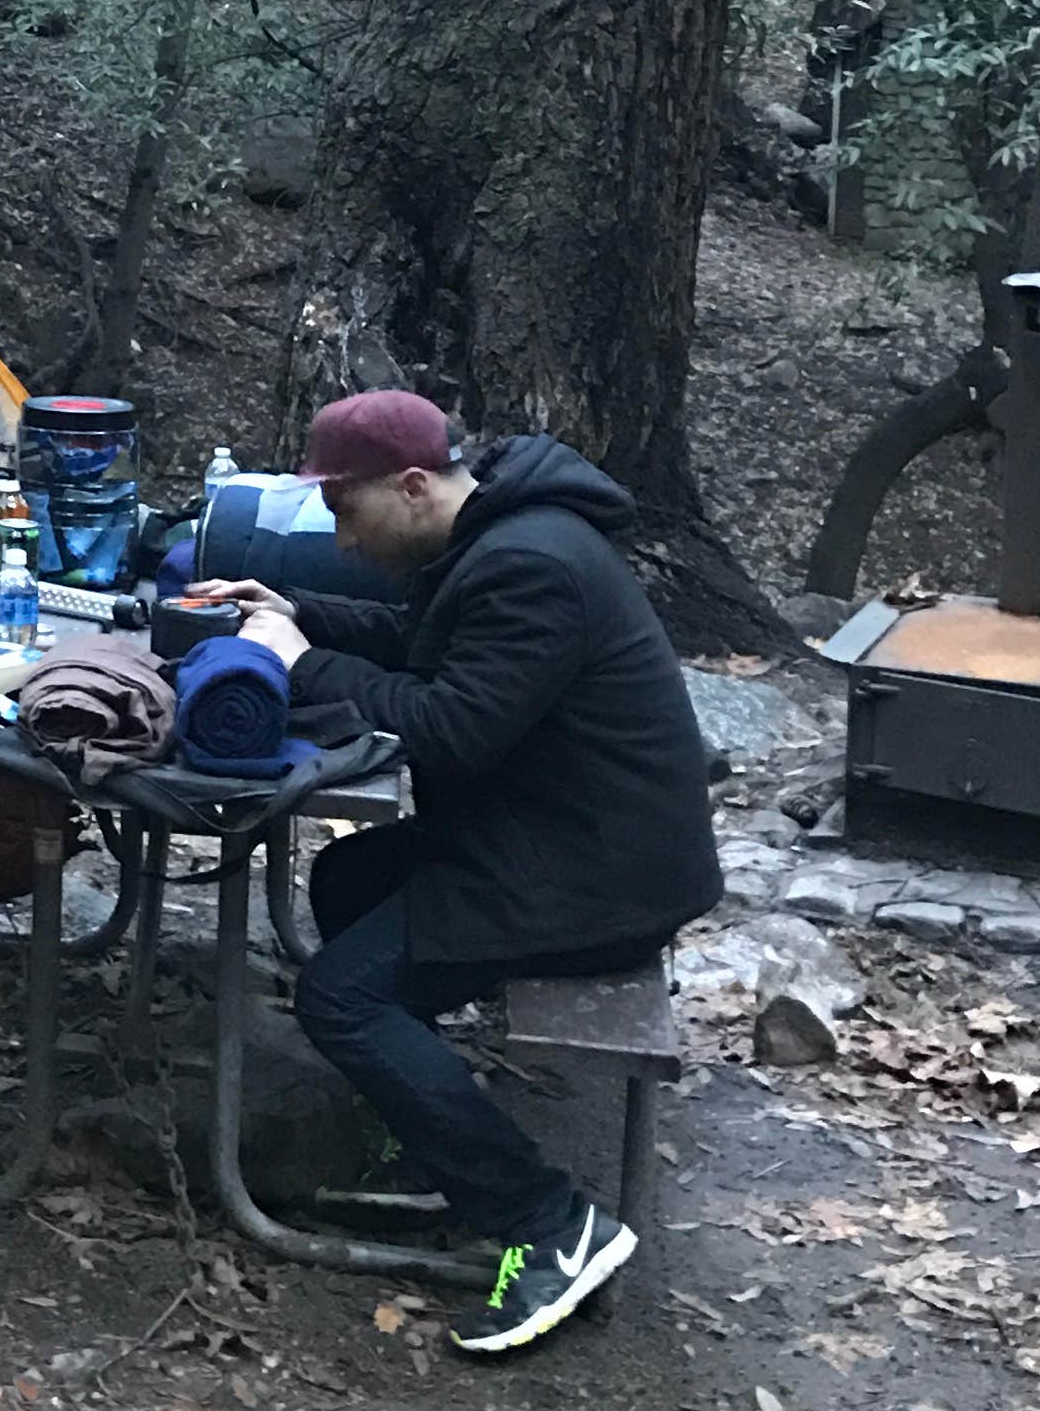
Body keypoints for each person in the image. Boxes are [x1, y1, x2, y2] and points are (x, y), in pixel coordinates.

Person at [218, 387, 722, 1358]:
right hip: (559, 834)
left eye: (345, 511)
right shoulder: (498, 537)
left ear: (411, 487)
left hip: (600, 874)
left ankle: (552, 1225)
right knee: (352, 882)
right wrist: (296, 617)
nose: (343, 540)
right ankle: (443, 1128)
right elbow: (424, 647)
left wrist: (298, 664)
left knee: (345, 999)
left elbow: (451, 728)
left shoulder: (530, 566)